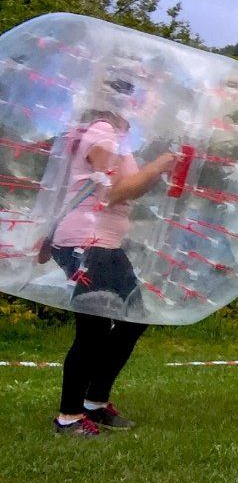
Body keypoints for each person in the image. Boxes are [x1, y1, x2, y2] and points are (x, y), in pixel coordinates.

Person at [42, 72, 176, 436]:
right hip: (88, 242)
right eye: (136, 100)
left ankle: (95, 402)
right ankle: (69, 417)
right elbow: (114, 192)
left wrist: (155, 175)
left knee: (134, 317)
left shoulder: (114, 138)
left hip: (103, 242)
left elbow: (120, 190)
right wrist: (157, 166)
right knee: (94, 328)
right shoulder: (101, 132)